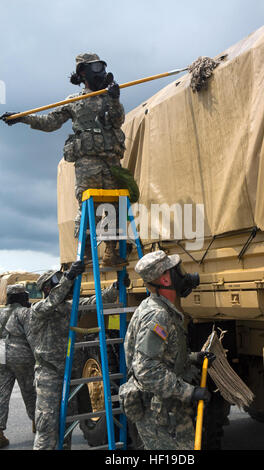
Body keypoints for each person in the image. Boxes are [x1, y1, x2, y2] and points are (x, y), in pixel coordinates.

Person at [1, 52, 127, 267]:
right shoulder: (74, 101)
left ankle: (111, 252)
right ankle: (87, 252)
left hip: (112, 160)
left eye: (102, 67)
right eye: (95, 68)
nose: (101, 73)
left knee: (117, 206)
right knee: (89, 207)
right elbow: (50, 122)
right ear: (83, 73)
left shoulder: (109, 97)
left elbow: (117, 122)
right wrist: (23, 118)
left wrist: (115, 99)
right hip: (88, 162)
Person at [121, 250, 214, 450]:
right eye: (177, 271)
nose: (183, 275)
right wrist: (190, 392)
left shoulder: (159, 308)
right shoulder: (158, 316)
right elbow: (147, 370)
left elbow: (163, 357)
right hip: (161, 415)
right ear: (164, 280)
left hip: (166, 410)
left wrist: (192, 358)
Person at [30, 260, 120, 450]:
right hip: (50, 376)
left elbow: (96, 301)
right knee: (47, 428)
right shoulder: (39, 310)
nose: (63, 283)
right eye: (57, 281)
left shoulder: (69, 306)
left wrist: (116, 286)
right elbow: (52, 302)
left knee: (66, 426)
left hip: (70, 375)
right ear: (47, 288)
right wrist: (69, 278)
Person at [0, 284, 36, 448]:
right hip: (21, 356)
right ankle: (38, 423)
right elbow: (32, 336)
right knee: (30, 391)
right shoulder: (25, 313)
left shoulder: (0, 312)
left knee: (2, 394)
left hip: (1, 356)